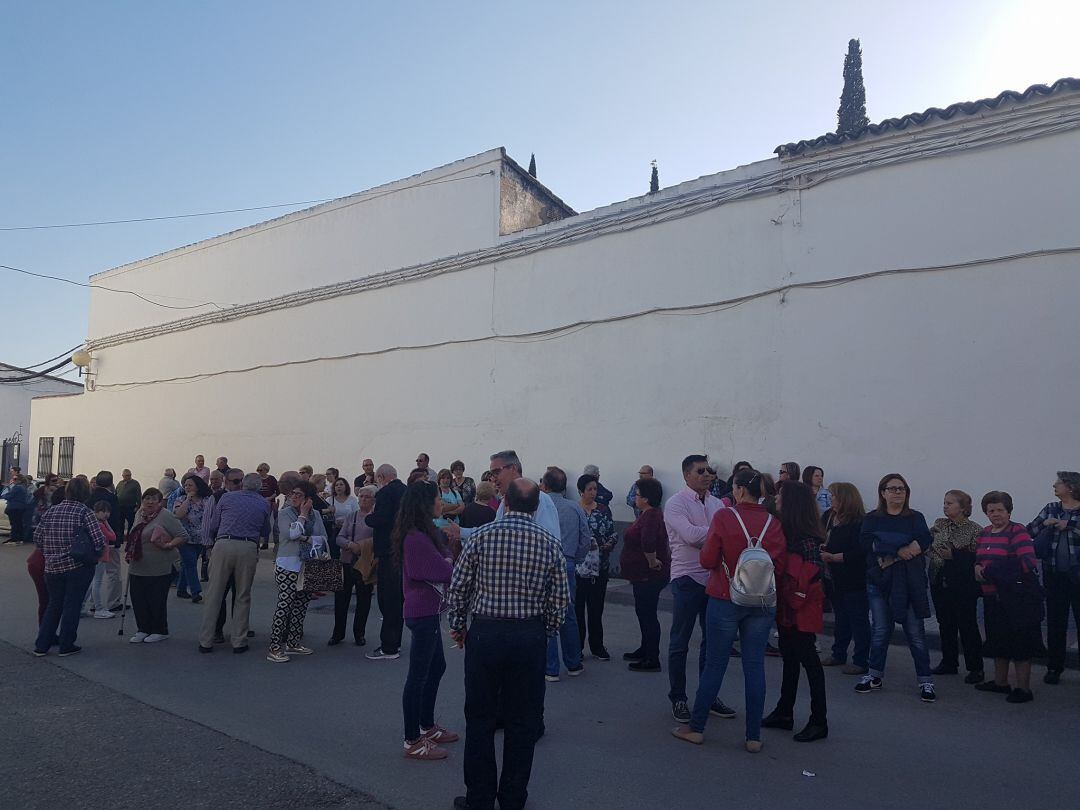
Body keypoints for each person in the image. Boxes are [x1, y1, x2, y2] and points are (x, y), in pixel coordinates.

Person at [447, 478, 569, 810]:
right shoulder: (549, 543)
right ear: (536, 506)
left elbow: (458, 589)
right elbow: (559, 603)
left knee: (480, 719)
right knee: (522, 721)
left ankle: (480, 799)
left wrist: (458, 627)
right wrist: (542, 634)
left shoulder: (483, 537)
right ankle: (513, 798)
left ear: (506, 502)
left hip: (486, 635)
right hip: (528, 637)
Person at [671, 469, 786, 752]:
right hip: (761, 602)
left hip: (725, 596)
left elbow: (708, 558)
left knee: (715, 663)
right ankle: (753, 736)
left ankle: (696, 727)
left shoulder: (725, 517)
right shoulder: (773, 522)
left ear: (739, 490)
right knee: (755, 666)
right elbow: (779, 565)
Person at [664, 455, 736, 724]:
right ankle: (678, 698)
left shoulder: (717, 504)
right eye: (701, 471)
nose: (707, 475)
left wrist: (714, 534)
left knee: (713, 642)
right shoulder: (675, 504)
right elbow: (691, 537)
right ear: (686, 475)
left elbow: (711, 536)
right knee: (680, 641)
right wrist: (718, 532)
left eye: (710, 471)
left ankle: (708, 696)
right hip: (686, 579)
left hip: (714, 578)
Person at [857, 474, 936, 701]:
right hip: (878, 583)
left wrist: (890, 553)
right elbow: (866, 543)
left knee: (916, 634)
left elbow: (923, 540)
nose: (898, 492)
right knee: (881, 631)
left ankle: (925, 681)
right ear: (883, 493)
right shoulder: (872, 518)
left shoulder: (915, 518)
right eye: (892, 489)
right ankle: (874, 675)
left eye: (901, 489)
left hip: (909, 584)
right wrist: (900, 548)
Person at [396, 480, 457, 759]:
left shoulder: (425, 532)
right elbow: (440, 569)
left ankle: (427, 725)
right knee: (418, 676)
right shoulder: (416, 537)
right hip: (422, 613)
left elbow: (445, 558)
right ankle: (412, 740)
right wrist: (447, 562)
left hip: (429, 611)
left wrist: (446, 558)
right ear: (426, 503)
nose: (441, 502)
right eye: (438, 498)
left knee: (436, 667)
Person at [763, 481, 828, 742]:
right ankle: (784, 711)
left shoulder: (806, 538)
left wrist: (794, 596)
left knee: (809, 659)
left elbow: (813, 574)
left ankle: (819, 720)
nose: (776, 498)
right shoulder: (789, 531)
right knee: (789, 657)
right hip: (789, 603)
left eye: (781, 496)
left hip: (801, 605)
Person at [974, 491, 1043, 703]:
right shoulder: (985, 533)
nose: (995, 514)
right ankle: (1000, 683)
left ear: (1009, 511)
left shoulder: (1017, 531)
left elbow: (1028, 563)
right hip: (992, 598)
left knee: (1020, 644)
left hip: (1015, 600)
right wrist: (977, 568)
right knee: (998, 641)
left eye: (1000, 510)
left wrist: (990, 572)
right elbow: (979, 559)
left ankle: (1023, 689)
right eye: (991, 510)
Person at [32, 477, 107, 657]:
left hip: (52, 567)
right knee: (72, 605)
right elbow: (99, 540)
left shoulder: (52, 511)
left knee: (53, 605)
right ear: (86, 493)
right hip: (76, 565)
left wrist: (50, 552)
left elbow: (37, 537)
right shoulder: (85, 512)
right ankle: (67, 644)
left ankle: (42, 644)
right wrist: (94, 554)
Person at [199, 471, 271, 654]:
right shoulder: (264, 503)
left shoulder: (226, 498)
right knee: (242, 594)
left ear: (243, 484)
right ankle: (239, 640)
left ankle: (206, 640)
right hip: (247, 546)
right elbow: (265, 530)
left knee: (214, 593)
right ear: (259, 487)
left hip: (223, 543)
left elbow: (214, 525)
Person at [1026, 471, 1080, 685]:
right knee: (1056, 623)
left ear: (1071, 487)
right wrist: (1046, 524)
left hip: (1078, 576)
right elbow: (1029, 531)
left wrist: (1071, 527)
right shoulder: (1051, 508)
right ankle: (1054, 668)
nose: (1054, 486)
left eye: (1058, 483)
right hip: (1054, 575)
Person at [927, 489, 984, 682]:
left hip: (962, 584)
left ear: (963, 507)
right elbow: (927, 542)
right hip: (939, 579)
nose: (945, 506)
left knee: (967, 625)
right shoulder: (939, 524)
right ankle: (949, 662)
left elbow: (977, 557)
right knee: (945, 623)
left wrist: (955, 556)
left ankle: (975, 668)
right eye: (944, 502)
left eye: (949, 503)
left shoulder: (975, 529)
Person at [267, 479, 325, 663]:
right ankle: (275, 647)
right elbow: (291, 534)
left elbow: (322, 537)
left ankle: (293, 642)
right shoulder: (285, 513)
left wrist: (307, 538)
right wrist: (303, 514)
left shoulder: (316, 514)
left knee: (302, 604)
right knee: (285, 604)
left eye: (299, 495)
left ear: (308, 498)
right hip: (288, 564)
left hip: (309, 564)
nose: (293, 497)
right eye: (293, 494)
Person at [539, 467, 589, 681]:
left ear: (545, 485)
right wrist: (574, 559)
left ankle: (551, 668)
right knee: (568, 613)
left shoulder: (538, 505)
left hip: (542, 563)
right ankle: (573, 662)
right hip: (566, 561)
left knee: (544, 613)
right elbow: (585, 539)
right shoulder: (574, 508)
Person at [819, 482, 870, 674]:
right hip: (832, 577)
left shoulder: (859, 522)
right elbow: (821, 537)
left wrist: (834, 557)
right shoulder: (829, 517)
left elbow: (861, 551)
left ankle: (861, 660)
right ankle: (838, 653)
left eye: (833, 496)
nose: (830, 499)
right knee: (841, 618)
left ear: (845, 499)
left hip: (853, 577)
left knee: (858, 619)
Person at [126, 488, 188, 643]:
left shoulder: (165, 515)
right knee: (138, 599)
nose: (150, 502)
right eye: (147, 498)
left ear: (160, 502)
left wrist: (168, 545)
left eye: (154, 499)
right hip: (138, 563)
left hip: (160, 565)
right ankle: (143, 629)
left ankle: (159, 630)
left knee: (156, 599)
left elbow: (182, 535)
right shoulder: (139, 514)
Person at [620, 476, 669, 671]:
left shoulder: (650, 516)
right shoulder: (648, 514)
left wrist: (652, 561)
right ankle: (646, 648)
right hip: (642, 575)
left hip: (648, 576)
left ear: (646, 498)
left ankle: (652, 658)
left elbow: (648, 542)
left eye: (637, 495)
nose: (635, 498)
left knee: (647, 614)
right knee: (643, 613)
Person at [365, 463, 407, 660]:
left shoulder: (384, 494)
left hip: (387, 550)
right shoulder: (406, 491)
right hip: (402, 550)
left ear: (381, 477)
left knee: (387, 599)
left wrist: (368, 518)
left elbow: (381, 518)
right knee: (397, 599)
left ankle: (389, 647)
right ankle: (395, 643)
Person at [576, 473, 617, 661]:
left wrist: (609, 543)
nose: (593, 493)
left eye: (595, 489)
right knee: (577, 610)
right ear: (581, 491)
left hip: (599, 569)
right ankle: (577, 646)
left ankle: (597, 646)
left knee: (596, 609)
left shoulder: (602, 511)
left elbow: (613, 533)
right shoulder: (574, 510)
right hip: (579, 570)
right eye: (589, 489)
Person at [332, 485, 377, 646]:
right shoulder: (352, 516)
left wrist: (363, 546)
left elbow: (378, 540)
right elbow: (339, 538)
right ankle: (338, 633)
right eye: (361, 496)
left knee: (363, 600)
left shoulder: (375, 518)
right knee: (341, 599)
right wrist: (351, 545)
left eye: (367, 497)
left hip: (365, 564)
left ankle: (359, 633)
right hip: (346, 561)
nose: (363, 499)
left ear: (373, 500)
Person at [87, 471, 124, 612]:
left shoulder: (90, 496)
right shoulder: (111, 498)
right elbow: (115, 518)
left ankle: (92, 602)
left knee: (95, 576)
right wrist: (117, 538)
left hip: (92, 540)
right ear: (111, 482)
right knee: (113, 572)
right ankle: (113, 602)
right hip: (108, 538)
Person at [173, 474, 212, 605]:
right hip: (185, 537)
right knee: (190, 563)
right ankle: (196, 592)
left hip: (201, 537)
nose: (187, 487)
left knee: (187, 563)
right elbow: (178, 515)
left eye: (190, 485)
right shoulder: (180, 499)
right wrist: (187, 500)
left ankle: (181, 588)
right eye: (185, 485)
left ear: (197, 486)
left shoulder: (206, 500)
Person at [83, 501, 117, 619]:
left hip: (95, 556)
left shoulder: (93, 523)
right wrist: (107, 523)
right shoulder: (101, 525)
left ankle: (81, 606)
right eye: (103, 511)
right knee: (97, 582)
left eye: (108, 511)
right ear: (97, 512)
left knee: (92, 583)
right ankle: (99, 608)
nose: (106, 514)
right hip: (101, 556)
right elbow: (113, 536)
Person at [257, 463, 279, 550]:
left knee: (266, 521)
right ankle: (257, 541)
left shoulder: (271, 479)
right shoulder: (257, 479)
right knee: (258, 521)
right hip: (258, 502)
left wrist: (269, 498)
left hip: (268, 503)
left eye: (260, 470)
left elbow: (278, 491)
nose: (259, 472)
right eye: (258, 470)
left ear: (266, 470)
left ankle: (265, 542)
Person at [3, 474, 31, 544]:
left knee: (14, 523)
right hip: (21, 508)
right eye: (13, 479)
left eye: (15, 479)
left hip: (14, 507)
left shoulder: (17, 487)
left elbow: (9, 495)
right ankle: (20, 538)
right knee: (19, 523)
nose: (13, 480)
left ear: (19, 480)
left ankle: (14, 538)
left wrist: (5, 495)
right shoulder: (24, 487)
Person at [115, 469, 142, 534]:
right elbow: (116, 493)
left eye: (128, 475)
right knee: (120, 523)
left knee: (131, 522)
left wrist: (138, 506)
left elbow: (139, 495)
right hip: (120, 506)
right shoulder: (120, 483)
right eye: (125, 476)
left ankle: (129, 536)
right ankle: (120, 537)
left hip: (130, 506)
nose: (126, 477)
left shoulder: (135, 483)